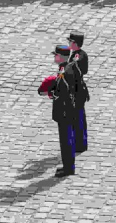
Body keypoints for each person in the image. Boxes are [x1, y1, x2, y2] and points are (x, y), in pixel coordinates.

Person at [49, 45, 78, 177]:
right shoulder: (67, 67)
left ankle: (68, 168)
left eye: (55, 55)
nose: (54, 57)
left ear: (60, 57)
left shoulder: (64, 72)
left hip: (64, 112)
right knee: (67, 139)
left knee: (66, 141)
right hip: (68, 111)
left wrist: (51, 92)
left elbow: (63, 93)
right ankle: (68, 166)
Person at [67, 31, 89, 153]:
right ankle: (80, 142)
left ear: (75, 43)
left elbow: (80, 70)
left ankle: (80, 144)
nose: (68, 43)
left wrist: (73, 64)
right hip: (77, 89)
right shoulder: (76, 54)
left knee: (78, 117)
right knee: (78, 117)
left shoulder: (79, 56)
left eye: (70, 41)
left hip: (78, 90)